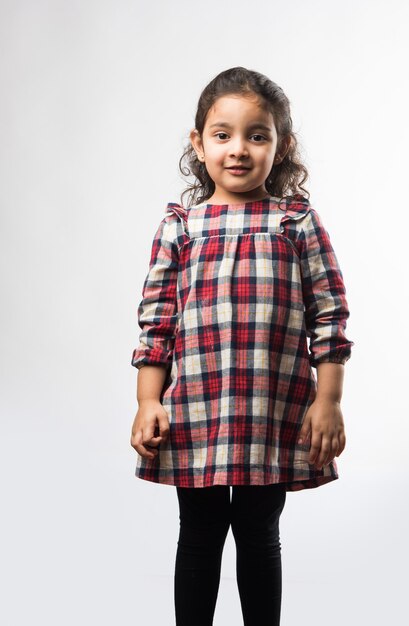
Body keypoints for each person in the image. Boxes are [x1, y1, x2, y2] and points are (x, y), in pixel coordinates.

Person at [129, 66, 355, 626]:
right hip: (196, 411)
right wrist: (147, 402)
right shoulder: (181, 227)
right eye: (222, 134)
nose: (238, 149)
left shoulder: (296, 223)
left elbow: (329, 316)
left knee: (259, 533)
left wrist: (327, 402)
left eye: (258, 135)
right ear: (198, 143)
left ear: (281, 147)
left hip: (271, 410)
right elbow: (156, 324)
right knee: (199, 534)